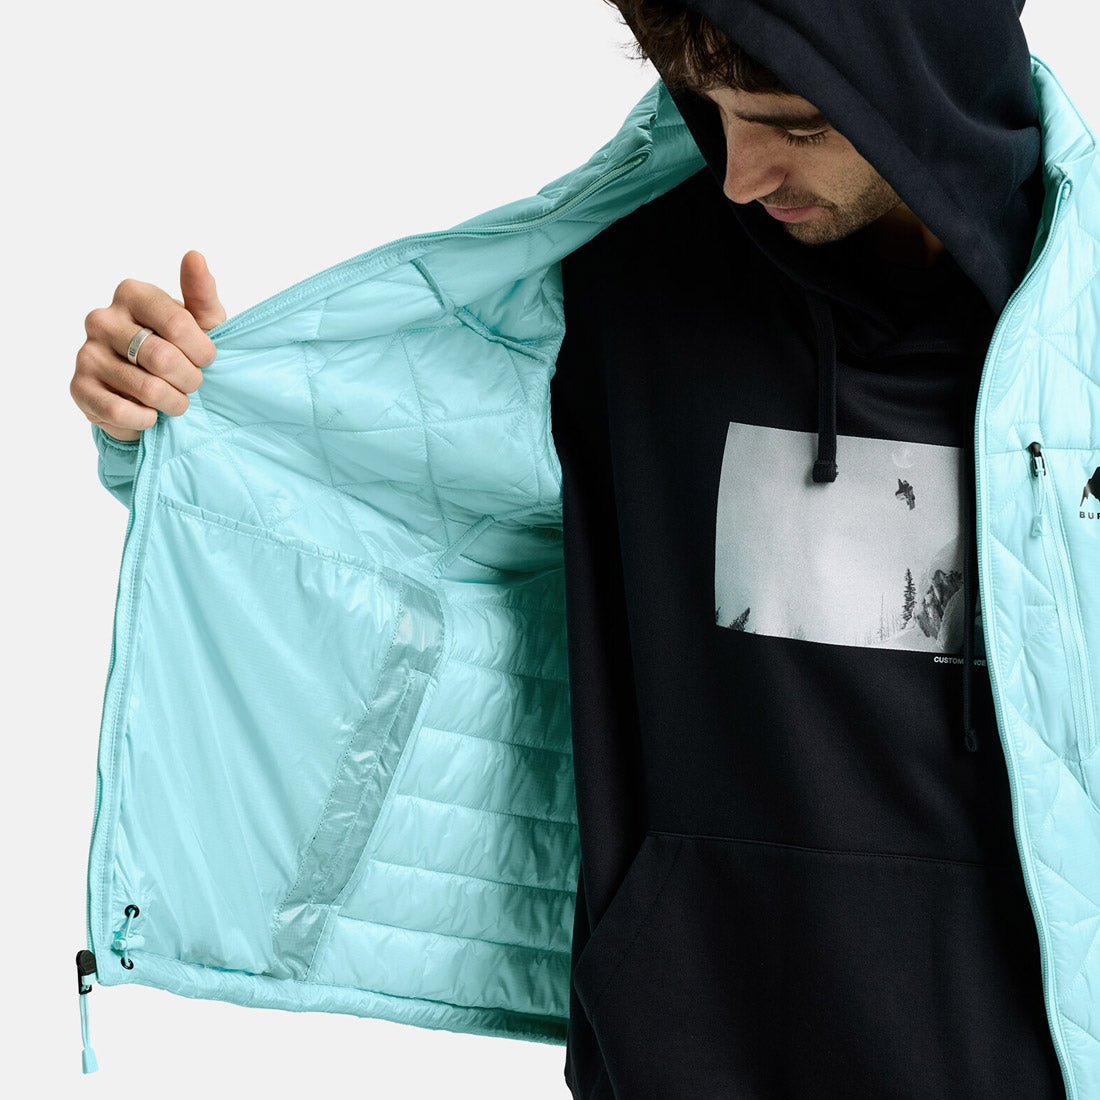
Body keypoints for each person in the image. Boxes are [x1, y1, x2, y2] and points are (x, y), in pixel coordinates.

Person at [70, 2, 1097, 1097]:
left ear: (924, 89)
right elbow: (379, 501)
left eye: (795, 124)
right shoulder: (623, 285)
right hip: (680, 1056)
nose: (740, 173)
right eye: (714, 114)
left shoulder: (1078, 352)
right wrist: (170, 414)